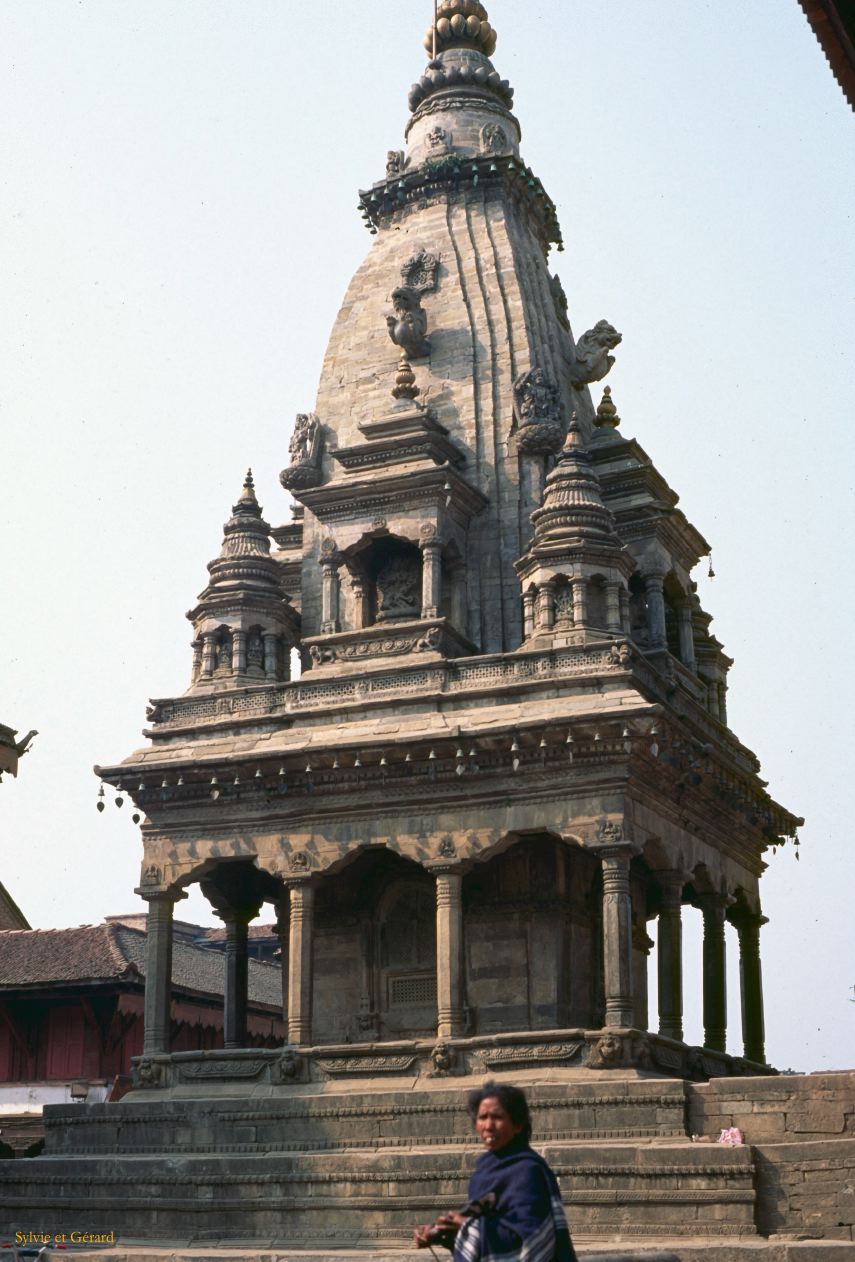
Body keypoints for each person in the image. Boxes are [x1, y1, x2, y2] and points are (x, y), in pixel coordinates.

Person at [414, 1082, 577, 1262]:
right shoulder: (483, 1171)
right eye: (482, 1117)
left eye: (497, 1117)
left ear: (518, 1125)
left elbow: (531, 1240)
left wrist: (467, 1226)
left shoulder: (528, 1171)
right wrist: (440, 1233)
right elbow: (480, 1237)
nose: (488, 1126)